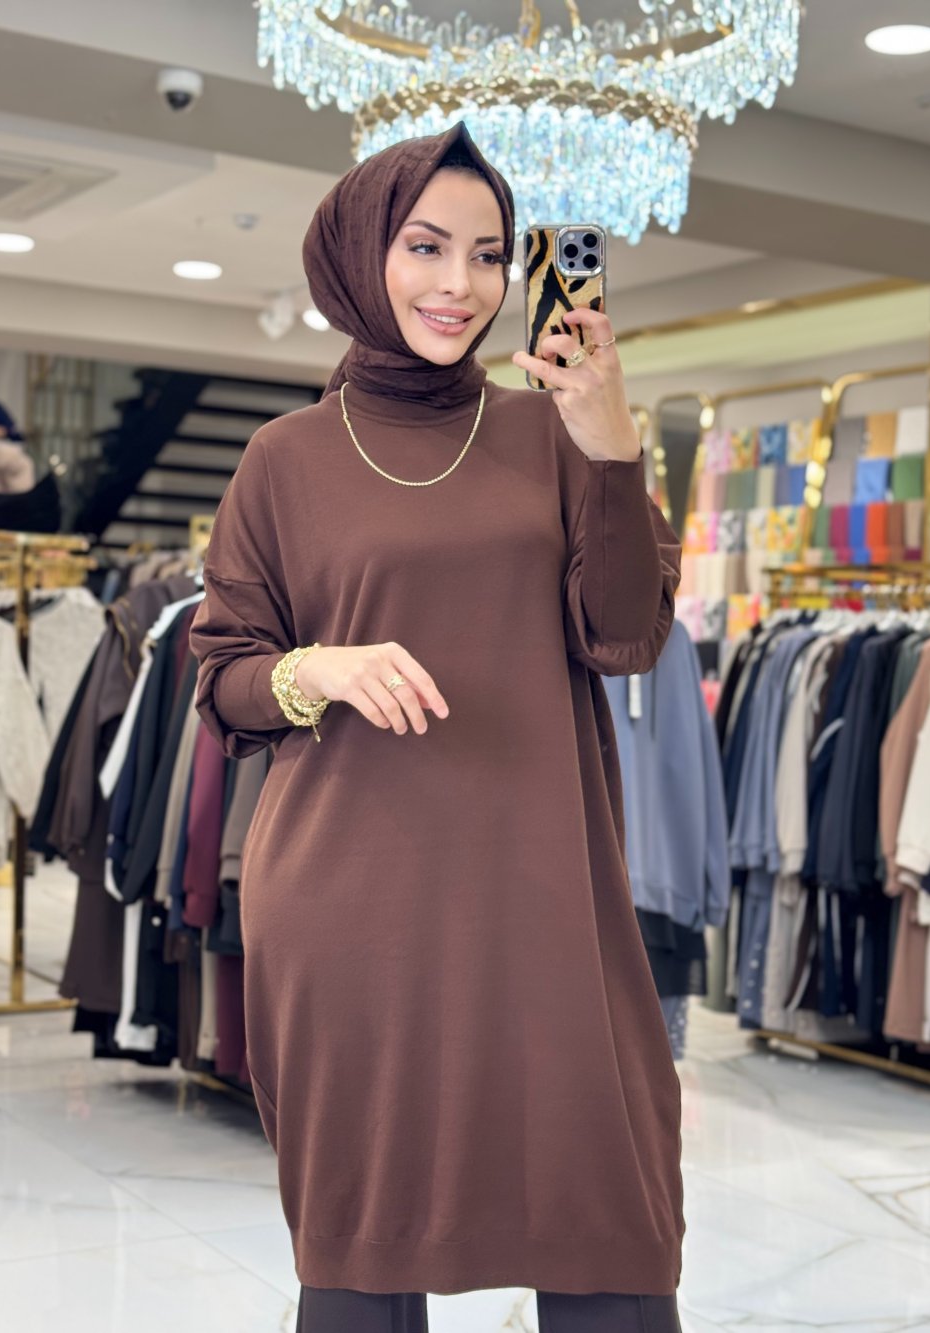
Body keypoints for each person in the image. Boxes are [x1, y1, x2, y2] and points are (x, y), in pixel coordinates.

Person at [190, 123, 685, 1333]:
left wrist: (611, 443)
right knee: (365, 1252)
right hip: (351, 908)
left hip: (548, 899)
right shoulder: (282, 459)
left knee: (608, 1236)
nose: (459, 283)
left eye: (488, 253)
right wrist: (320, 667)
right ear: (362, 253)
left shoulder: (554, 434)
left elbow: (628, 635)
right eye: (424, 246)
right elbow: (223, 678)